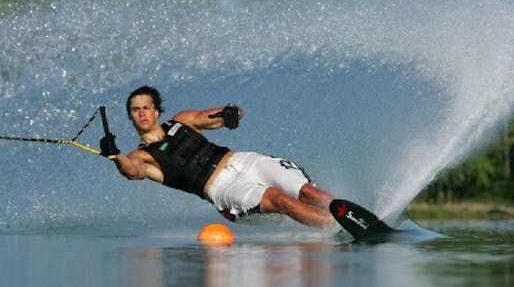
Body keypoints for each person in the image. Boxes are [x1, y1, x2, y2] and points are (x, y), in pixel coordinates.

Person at [100, 85, 338, 229]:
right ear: (130, 117)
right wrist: (115, 155)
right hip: (222, 188)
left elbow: (214, 116)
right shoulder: (142, 156)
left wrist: (231, 113)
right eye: (135, 109)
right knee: (281, 200)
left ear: (156, 111)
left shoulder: (181, 120)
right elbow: (131, 171)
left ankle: (350, 215)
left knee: (307, 192)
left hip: (242, 161)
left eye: (146, 107)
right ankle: (337, 229)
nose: (142, 113)